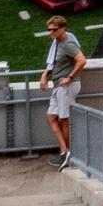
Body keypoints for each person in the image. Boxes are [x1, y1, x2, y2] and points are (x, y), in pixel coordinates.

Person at [38, 16, 86, 169]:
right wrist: (45, 74)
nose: (51, 32)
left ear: (63, 28)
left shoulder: (67, 43)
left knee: (65, 120)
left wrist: (70, 78)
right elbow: (53, 63)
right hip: (58, 87)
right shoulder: (57, 42)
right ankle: (64, 152)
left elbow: (82, 60)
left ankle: (69, 154)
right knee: (51, 117)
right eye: (49, 30)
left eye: (54, 29)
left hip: (65, 88)